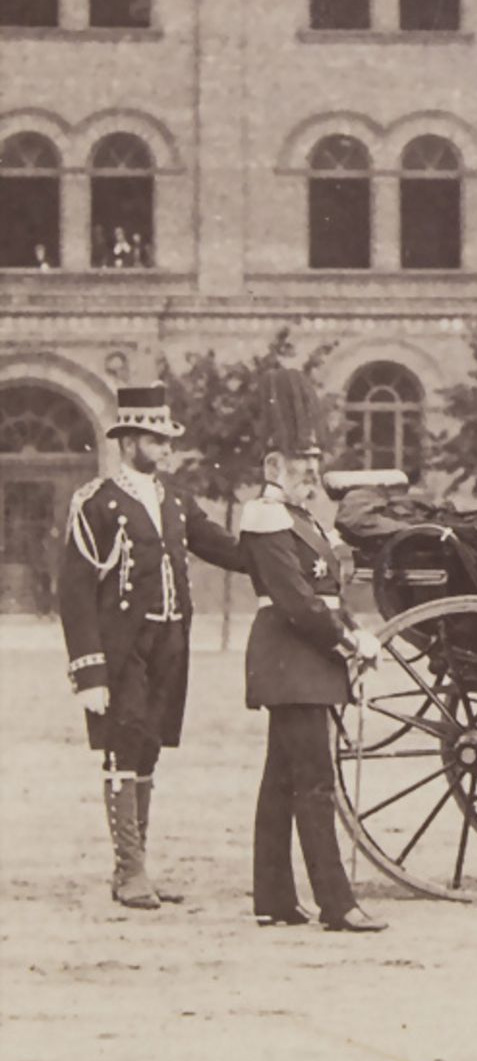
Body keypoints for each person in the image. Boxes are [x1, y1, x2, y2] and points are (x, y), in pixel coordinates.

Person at [58, 384, 247, 911]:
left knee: (149, 745)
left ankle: (138, 868)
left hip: (170, 639)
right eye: (157, 440)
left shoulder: (177, 500)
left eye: (166, 441)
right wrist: (89, 672)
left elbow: (221, 548)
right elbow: (74, 592)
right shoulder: (95, 503)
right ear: (130, 440)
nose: (166, 450)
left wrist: (277, 554)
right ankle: (129, 871)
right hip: (122, 646)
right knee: (124, 740)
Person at [240, 367, 386, 932]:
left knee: (281, 780)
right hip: (291, 661)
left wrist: (354, 630)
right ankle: (337, 903)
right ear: (274, 468)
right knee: (315, 782)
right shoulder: (267, 518)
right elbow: (299, 604)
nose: (313, 478)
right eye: (303, 469)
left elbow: (325, 591)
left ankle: (274, 899)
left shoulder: (301, 519)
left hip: (304, 662)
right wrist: (350, 639)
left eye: (315, 469)